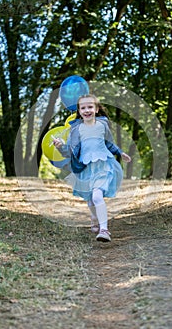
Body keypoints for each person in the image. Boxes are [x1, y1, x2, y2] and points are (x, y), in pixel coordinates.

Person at [53, 94, 131, 242]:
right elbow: (70, 150)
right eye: (83, 108)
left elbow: (109, 144)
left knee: (96, 196)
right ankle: (95, 217)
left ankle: (104, 230)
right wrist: (60, 147)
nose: (87, 110)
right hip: (85, 167)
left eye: (90, 107)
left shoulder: (103, 125)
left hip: (103, 165)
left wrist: (120, 153)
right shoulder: (76, 129)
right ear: (79, 111)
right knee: (90, 201)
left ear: (96, 109)